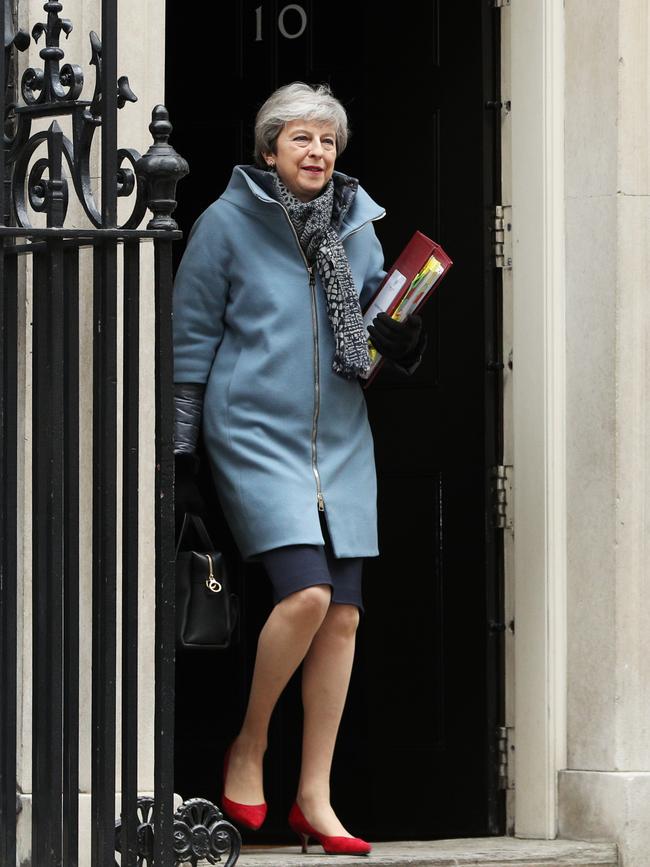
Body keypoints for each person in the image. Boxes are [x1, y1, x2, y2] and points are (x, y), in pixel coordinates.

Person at [172, 81, 428, 856]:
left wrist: (401, 346)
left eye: (326, 140)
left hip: (342, 439)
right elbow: (188, 349)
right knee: (307, 592)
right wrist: (182, 456)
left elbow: (368, 348)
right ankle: (248, 747)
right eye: (300, 139)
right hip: (252, 431)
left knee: (344, 613)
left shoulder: (360, 228)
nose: (316, 152)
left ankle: (314, 794)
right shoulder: (225, 224)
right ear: (268, 149)